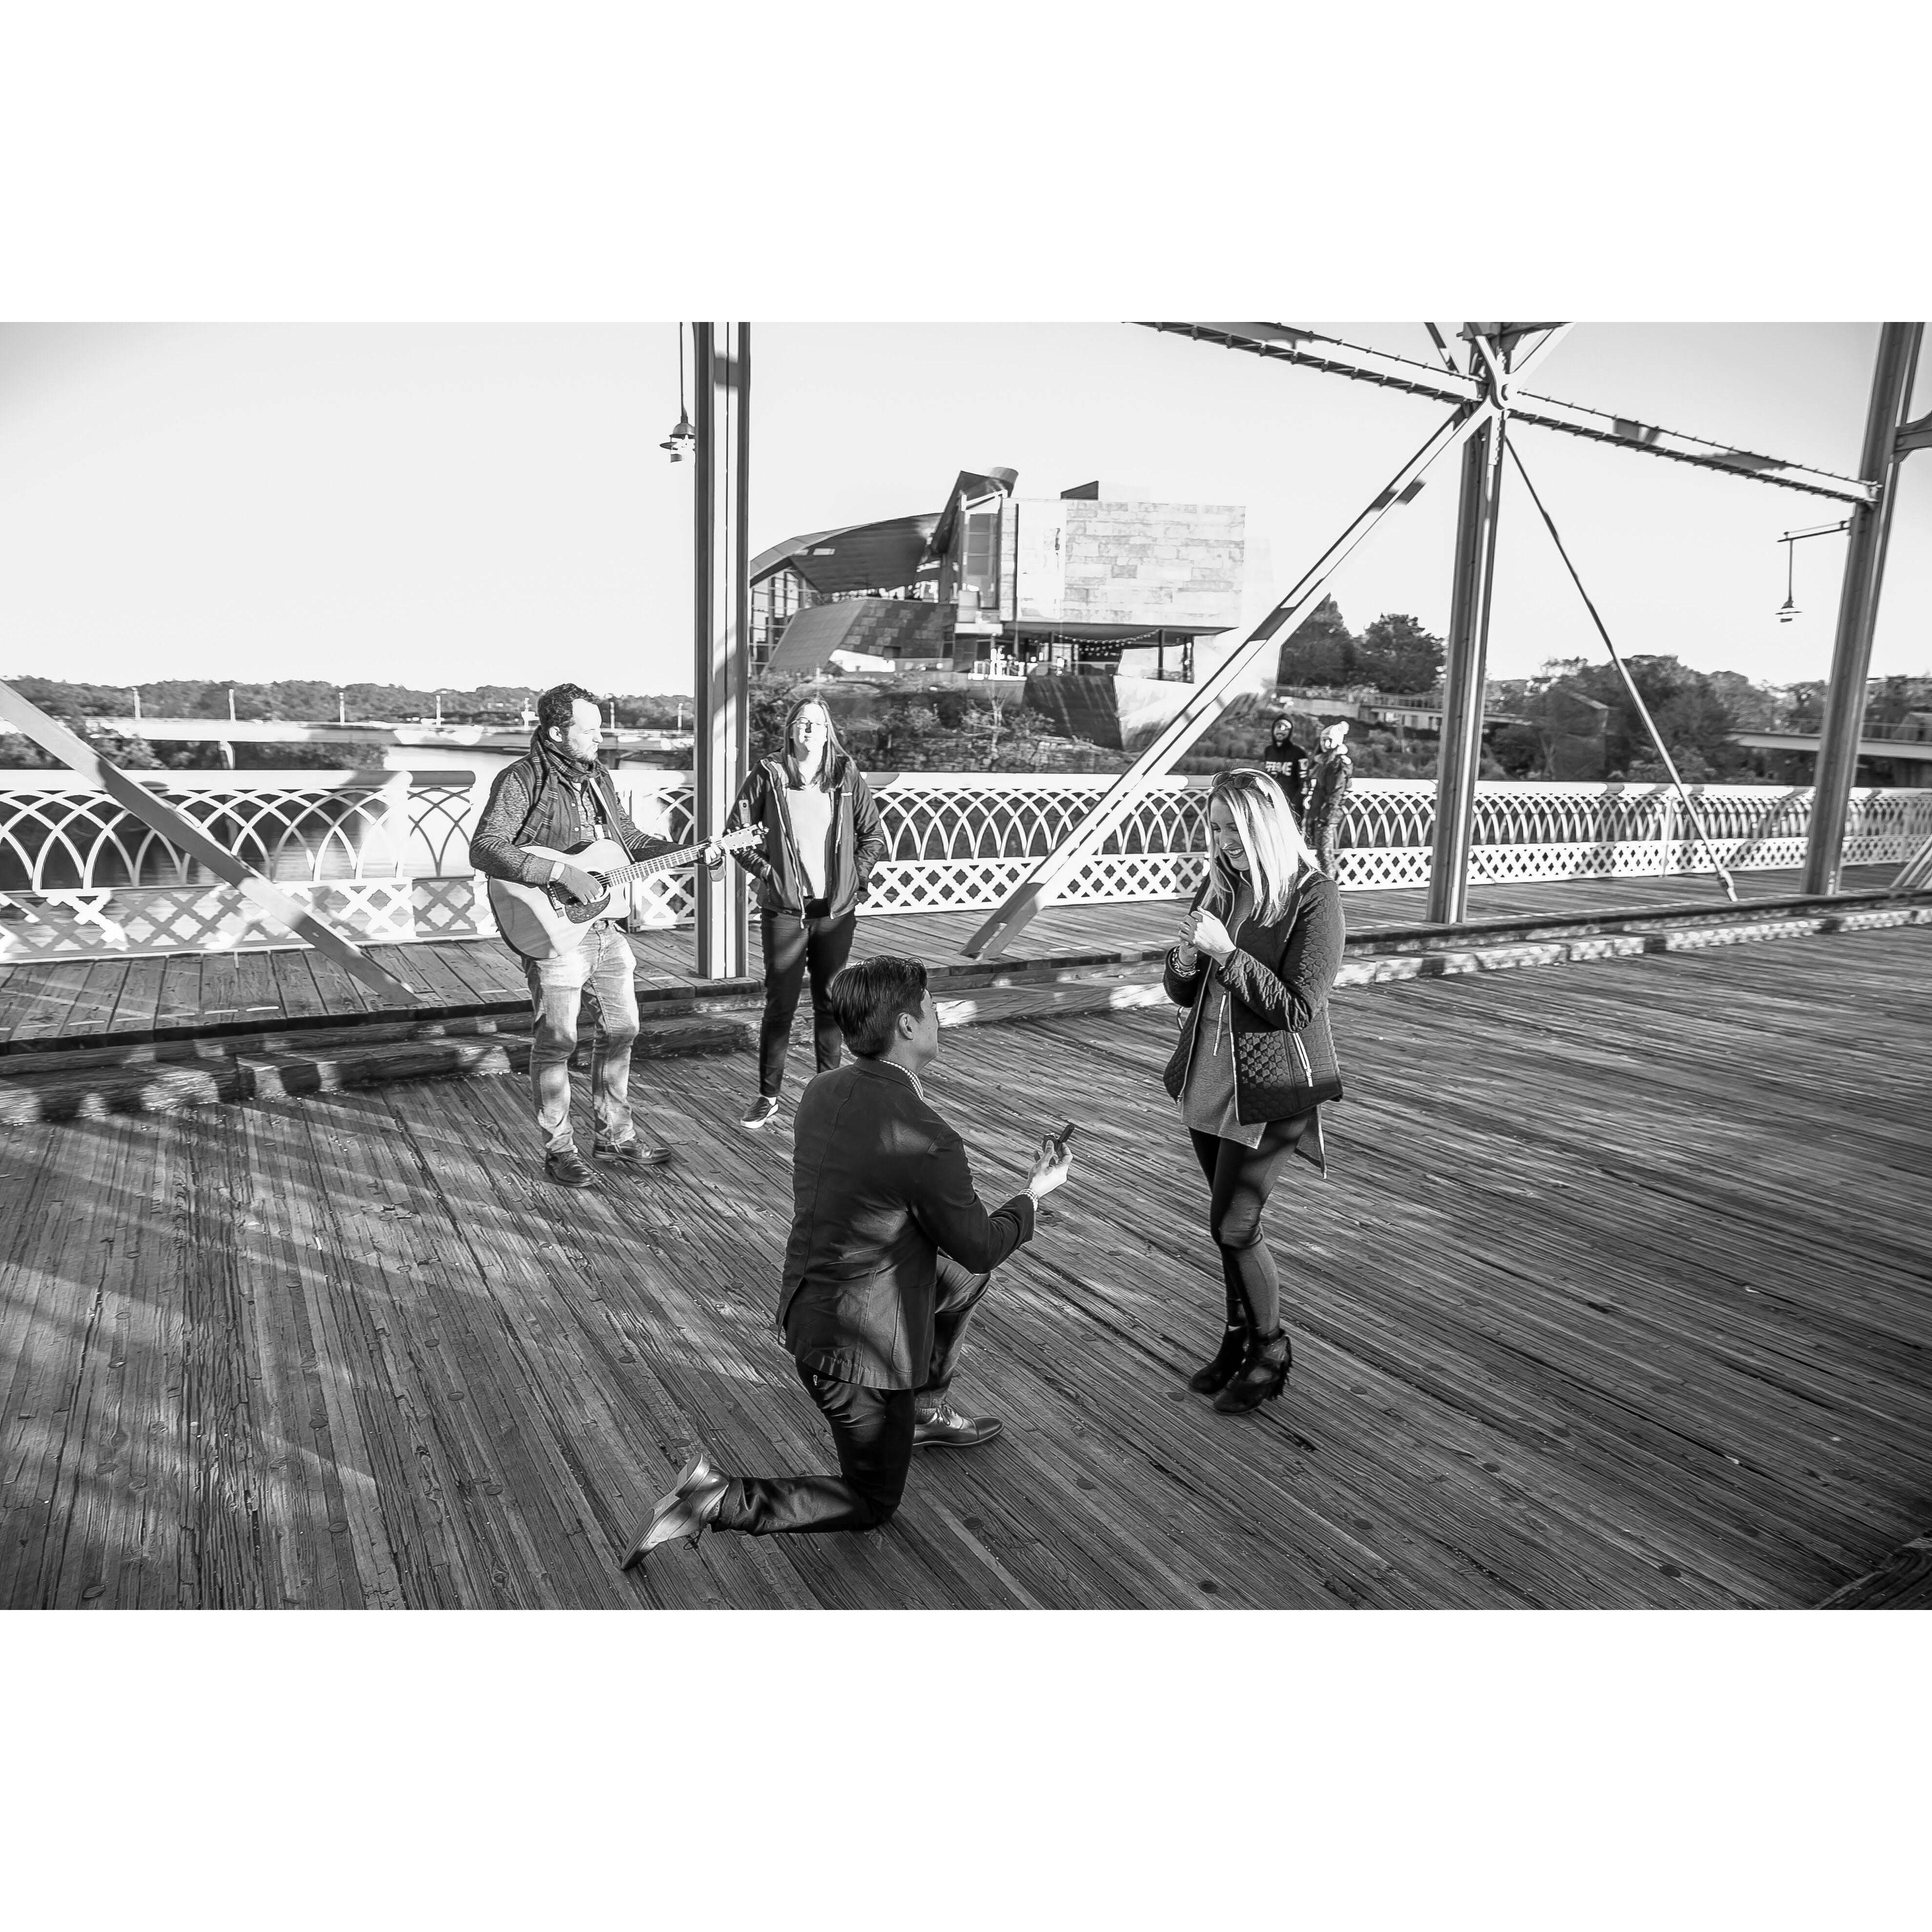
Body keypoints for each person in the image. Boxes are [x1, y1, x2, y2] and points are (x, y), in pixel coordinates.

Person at [621, 953, 1072, 1564]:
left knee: (964, 1281)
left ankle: (925, 1408)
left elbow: (951, 1250)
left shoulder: (823, 1088)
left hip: (812, 1301)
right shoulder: (925, 1134)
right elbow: (983, 1241)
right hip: (853, 1355)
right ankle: (715, 1498)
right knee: (871, 1503)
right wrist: (1035, 1192)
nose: (938, 1015)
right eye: (932, 1006)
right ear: (908, 1027)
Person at [470, 681, 720, 1188]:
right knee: (557, 1040)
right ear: (558, 731)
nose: (600, 737)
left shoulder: (598, 777)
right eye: (590, 729)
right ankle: (558, 1149)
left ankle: (615, 1136)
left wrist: (691, 850)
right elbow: (486, 848)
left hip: (606, 926)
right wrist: (562, 874)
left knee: (624, 1027)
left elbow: (628, 840)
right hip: (552, 927)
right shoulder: (523, 779)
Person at [1163, 768, 1345, 1414]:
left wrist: (1225, 954)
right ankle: (1237, 1338)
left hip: (1272, 1081)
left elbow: (1297, 1007)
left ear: (1265, 824)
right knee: (1223, 1227)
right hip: (1210, 1074)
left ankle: (1271, 1349)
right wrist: (1185, 963)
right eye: (1214, 828)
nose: (1221, 841)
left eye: (1233, 828)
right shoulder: (1217, 886)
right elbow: (1183, 991)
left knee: (1234, 1223)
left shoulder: (1313, 896)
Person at [725, 695, 887, 1131]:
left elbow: (872, 835)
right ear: (791, 730)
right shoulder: (770, 773)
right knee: (780, 1004)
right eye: (801, 722)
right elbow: (736, 835)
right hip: (784, 911)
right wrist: (769, 874)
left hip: (835, 910)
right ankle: (768, 1096)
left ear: (828, 730)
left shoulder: (845, 773)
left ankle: (828, 1097)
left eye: (816, 723)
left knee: (831, 1003)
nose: (809, 730)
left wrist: (858, 879)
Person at [1303, 721, 1354, 877]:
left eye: (1330, 740)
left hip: (1326, 816)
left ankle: (1329, 883)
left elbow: (1336, 794)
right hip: (1319, 813)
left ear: (1337, 741)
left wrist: (1326, 817)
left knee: (1324, 853)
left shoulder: (1337, 765)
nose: (1326, 743)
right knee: (1319, 851)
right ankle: (1323, 881)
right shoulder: (1325, 762)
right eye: (1324, 739)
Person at [1260, 713, 1310, 824]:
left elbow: (1305, 783)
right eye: (1279, 726)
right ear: (1273, 729)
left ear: (1291, 732)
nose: (1281, 730)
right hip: (1270, 807)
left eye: (1286, 728)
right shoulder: (1269, 751)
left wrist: (1294, 805)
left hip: (1291, 809)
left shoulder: (1299, 753)